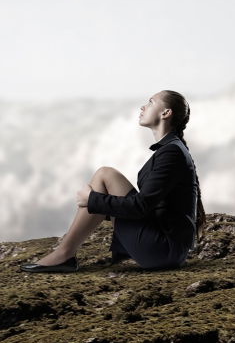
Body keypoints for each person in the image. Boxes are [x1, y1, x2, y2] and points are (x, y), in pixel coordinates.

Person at [20, 90, 207, 273]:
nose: (143, 107)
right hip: (167, 246)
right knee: (104, 176)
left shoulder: (171, 152)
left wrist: (92, 199)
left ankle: (64, 253)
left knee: (104, 175)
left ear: (166, 113)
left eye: (150, 102)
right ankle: (65, 253)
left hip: (163, 250)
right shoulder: (170, 149)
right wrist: (98, 202)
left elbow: (140, 207)